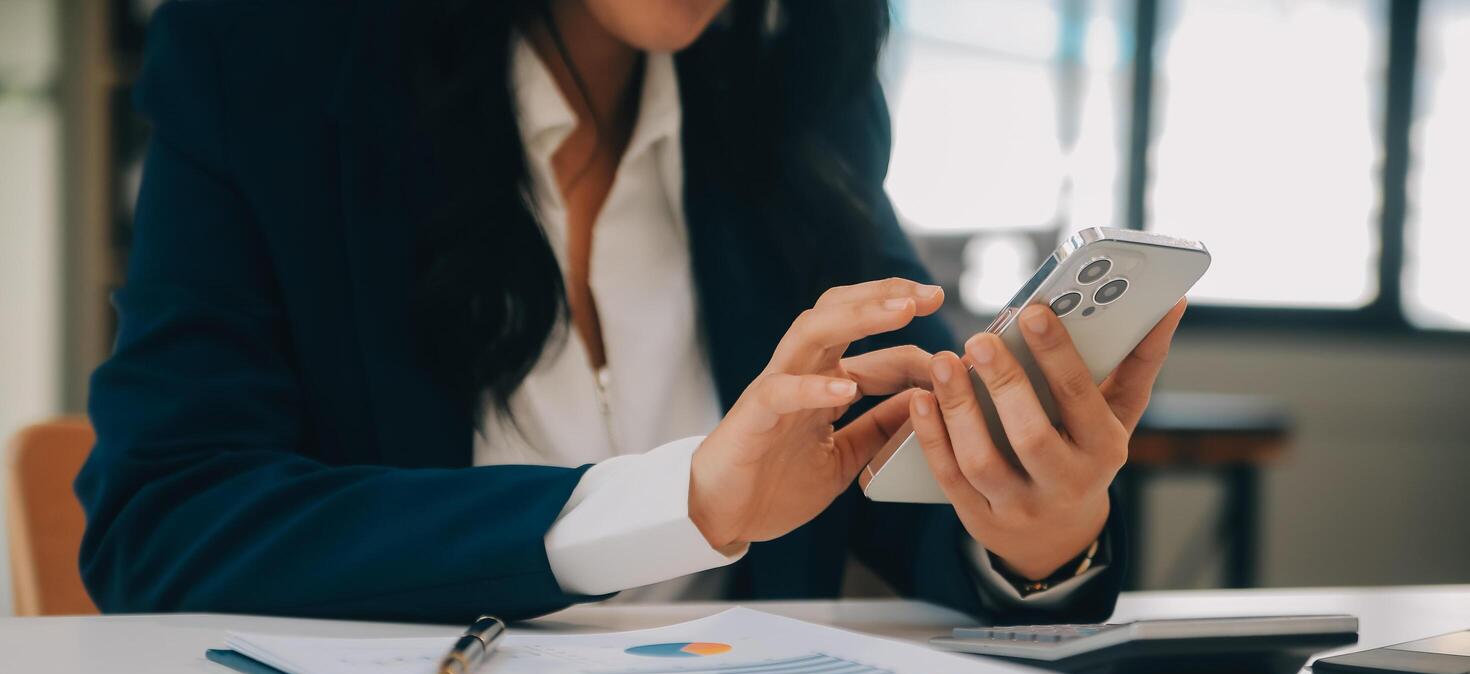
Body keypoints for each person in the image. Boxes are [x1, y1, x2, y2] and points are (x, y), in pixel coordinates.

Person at [76, 0, 1186, 624]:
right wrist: (682, 498)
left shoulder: (796, 97)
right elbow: (164, 520)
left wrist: (1036, 532)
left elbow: (910, 470)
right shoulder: (262, 59)